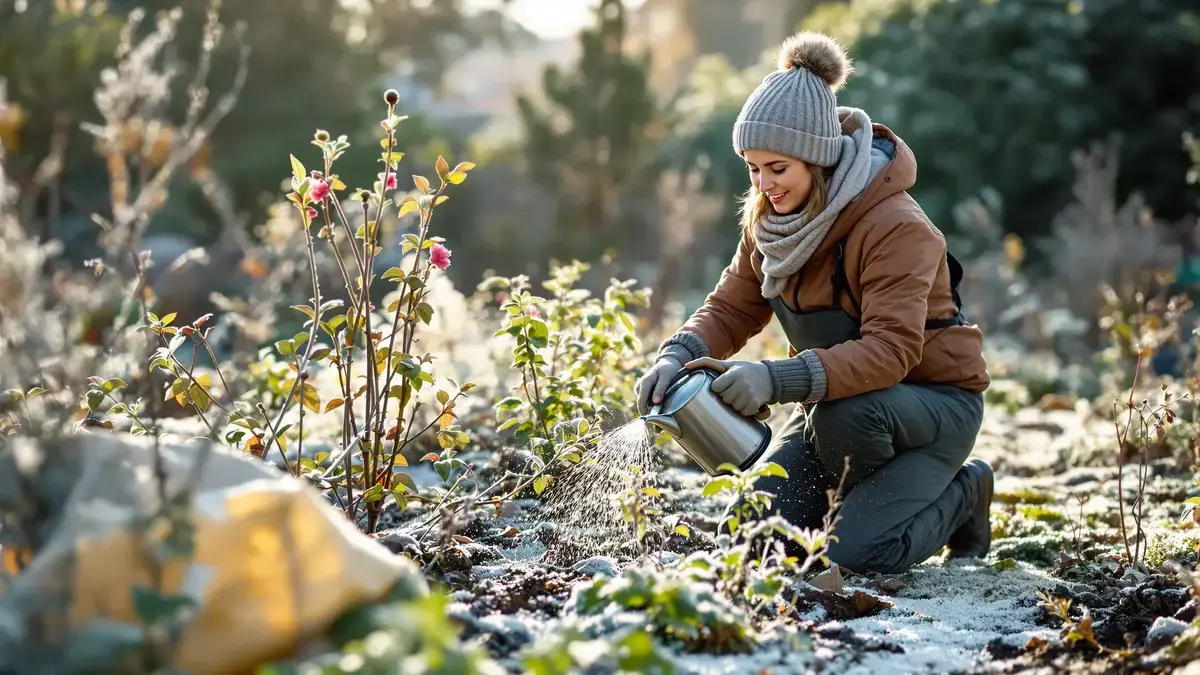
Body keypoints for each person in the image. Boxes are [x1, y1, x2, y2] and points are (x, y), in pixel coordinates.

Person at [635, 31, 993, 575]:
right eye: (753, 168)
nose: (764, 184)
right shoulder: (770, 222)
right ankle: (865, 502)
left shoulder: (896, 227)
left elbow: (892, 351)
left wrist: (773, 380)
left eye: (777, 169)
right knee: (751, 543)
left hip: (931, 407)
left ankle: (964, 493)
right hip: (838, 412)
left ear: (818, 159)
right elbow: (733, 305)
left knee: (855, 555)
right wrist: (675, 354)